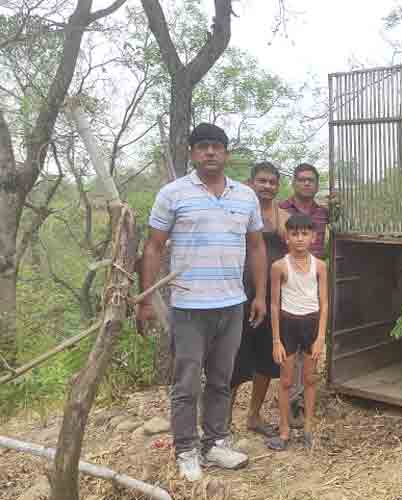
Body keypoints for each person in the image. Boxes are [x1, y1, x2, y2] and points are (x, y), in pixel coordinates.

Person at [137, 123, 267, 481]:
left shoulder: (245, 196)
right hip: (189, 308)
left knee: (222, 380)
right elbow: (153, 246)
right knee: (187, 384)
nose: (210, 152)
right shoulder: (173, 194)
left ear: (226, 153)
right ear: (193, 153)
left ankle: (214, 444)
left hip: (232, 304)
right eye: (203, 146)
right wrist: (145, 299)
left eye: (217, 146)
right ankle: (186, 450)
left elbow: (257, 247)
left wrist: (259, 295)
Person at [230, 162, 289, 437]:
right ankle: (222, 421)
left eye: (272, 182)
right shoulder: (237, 212)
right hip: (239, 292)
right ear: (250, 182)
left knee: (267, 358)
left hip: (274, 296)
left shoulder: (284, 217)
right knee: (233, 356)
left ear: (278, 186)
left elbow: (299, 249)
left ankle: (253, 415)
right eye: (262, 181)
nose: (267, 186)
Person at [267, 214, 329, 450]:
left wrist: (321, 336)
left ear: (313, 237)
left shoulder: (320, 266)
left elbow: (324, 303)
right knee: (285, 381)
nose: (300, 239)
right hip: (288, 325)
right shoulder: (279, 267)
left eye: (305, 233)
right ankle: (284, 431)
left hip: (311, 325)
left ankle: (308, 428)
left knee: (310, 379)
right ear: (287, 237)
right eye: (294, 234)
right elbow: (274, 304)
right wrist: (276, 340)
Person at [278, 164, 331, 425]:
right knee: (289, 352)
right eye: (301, 179)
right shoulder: (282, 210)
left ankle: (302, 404)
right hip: (288, 283)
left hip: (314, 283)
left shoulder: (323, 213)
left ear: (317, 184)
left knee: (309, 351)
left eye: (311, 180)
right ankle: (291, 403)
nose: (306, 183)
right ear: (294, 183)